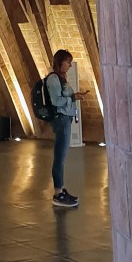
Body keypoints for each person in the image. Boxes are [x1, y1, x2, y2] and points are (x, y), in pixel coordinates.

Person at [45, 49, 89, 208]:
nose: (70, 65)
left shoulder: (61, 78)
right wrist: (72, 97)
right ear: (60, 62)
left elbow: (64, 98)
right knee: (59, 157)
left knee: (61, 157)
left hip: (65, 118)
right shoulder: (53, 79)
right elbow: (56, 101)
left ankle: (61, 189)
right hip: (61, 119)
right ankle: (58, 193)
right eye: (67, 62)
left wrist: (75, 96)